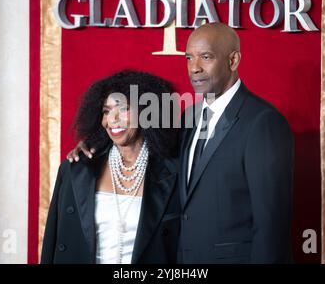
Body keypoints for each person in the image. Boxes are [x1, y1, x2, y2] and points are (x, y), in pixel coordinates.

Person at [69, 23, 294, 263]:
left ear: (234, 60)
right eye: (189, 58)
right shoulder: (189, 119)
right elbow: (146, 150)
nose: (194, 68)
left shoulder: (262, 122)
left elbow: (272, 225)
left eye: (205, 57)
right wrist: (94, 146)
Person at [41, 70, 180, 264]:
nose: (111, 119)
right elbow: (51, 244)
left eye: (122, 108)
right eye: (106, 111)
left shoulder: (177, 173)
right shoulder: (76, 169)